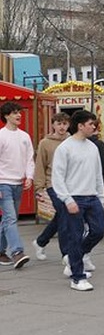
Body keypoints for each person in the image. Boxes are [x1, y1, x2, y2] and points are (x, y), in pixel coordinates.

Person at [51, 110, 104, 291]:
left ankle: (75, 257)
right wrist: (67, 199)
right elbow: (57, 176)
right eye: (90, 124)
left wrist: (100, 198)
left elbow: (98, 175)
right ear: (80, 126)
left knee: (99, 230)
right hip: (74, 197)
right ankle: (77, 277)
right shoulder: (65, 148)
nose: (93, 127)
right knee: (74, 236)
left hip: (92, 198)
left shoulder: (92, 147)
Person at [0, 101, 34, 269]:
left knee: (7, 219)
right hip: (3, 183)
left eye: (19, 112)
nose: (19, 115)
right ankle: (17, 252)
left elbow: (29, 158)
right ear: (6, 116)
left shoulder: (25, 136)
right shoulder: (1, 136)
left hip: (18, 184)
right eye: (14, 113)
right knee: (11, 218)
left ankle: (0, 252)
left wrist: (29, 176)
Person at [33, 112, 70, 261]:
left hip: (70, 184)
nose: (62, 126)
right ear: (53, 125)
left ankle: (40, 241)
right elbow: (40, 165)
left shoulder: (72, 141)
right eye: (59, 123)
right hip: (52, 183)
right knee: (64, 214)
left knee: (61, 216)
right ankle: (66, 254)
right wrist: (39, 187)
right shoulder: (45, 143)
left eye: (65, 123)